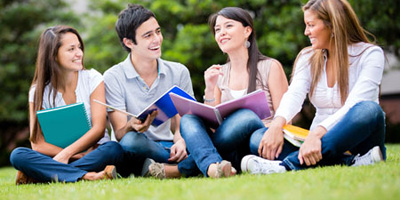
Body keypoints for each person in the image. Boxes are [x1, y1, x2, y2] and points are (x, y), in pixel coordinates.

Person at [241, 0, 386, 175]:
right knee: (259, 138)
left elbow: (354, 104)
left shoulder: (370, 55)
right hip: (315, 142)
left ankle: (285, 166)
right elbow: (294, 95)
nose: (306, 32)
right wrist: (276, 126)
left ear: (333, 25)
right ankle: (353, 162)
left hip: (357, 141)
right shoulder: (308, 56)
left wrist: (317, 135)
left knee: (369, 109)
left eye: (310, 25)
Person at [178, 7, 288, 178]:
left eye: (228, 26)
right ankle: (213, 167)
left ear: (247, 31)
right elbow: (213, 124)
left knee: (246, 116)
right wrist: (209, 87)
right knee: (188, 119)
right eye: (217, 29)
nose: (222, 33)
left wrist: (272, 128)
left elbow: (287, 113)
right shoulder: (219, 73)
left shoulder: (270, 66)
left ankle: (183, 168)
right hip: (229, 147)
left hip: (259, 139)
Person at [9, 25, 124, 184]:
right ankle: (88, 176)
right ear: (53, 55)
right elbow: (37, 143)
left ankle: (39, 175)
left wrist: (66, 155)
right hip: (63, 156)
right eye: (71, 49)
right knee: (18, 155)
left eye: (79, 47)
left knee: (113, 149)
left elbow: (98, 129)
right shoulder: (38, 92)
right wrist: (70, 155)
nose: (79, 53)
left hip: (94, 152)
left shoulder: (93, 79)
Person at [104, 4, 198, 178]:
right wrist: (131, 126)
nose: (157, 39)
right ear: (129, 42)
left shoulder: (178, 72)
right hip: (136, 146)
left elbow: (185, 120)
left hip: (169, 145)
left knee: (203, 140)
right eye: (148, 35)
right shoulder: (113, 77)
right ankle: (184, 166)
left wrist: (180, 139)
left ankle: (163, 168)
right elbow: (119, 134)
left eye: (158, 31)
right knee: (130, 141)